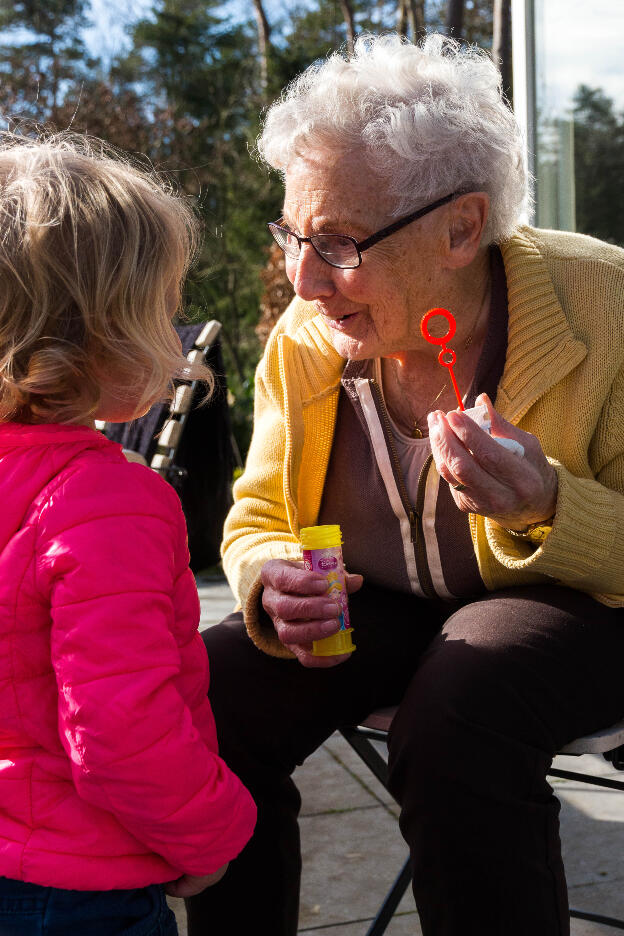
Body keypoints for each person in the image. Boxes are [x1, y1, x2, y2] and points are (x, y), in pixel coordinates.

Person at [186, 33, 624, 936]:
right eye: (293, 236)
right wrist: (271, 575)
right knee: (205, 692)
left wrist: (549, 504)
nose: (303, 281)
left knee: (462, 706)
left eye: (339, 243)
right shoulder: (312, 341)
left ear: (463, 227)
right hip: (385, 607)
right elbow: (259, 508)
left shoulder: (606, 306)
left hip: (582, 608)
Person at [0, 133, 256, 935]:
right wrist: (210, 834)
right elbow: (118, 728)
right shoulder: (108, 499)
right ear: (97, 333)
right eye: (163, 307)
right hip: (73, 888)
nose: (175, 332)